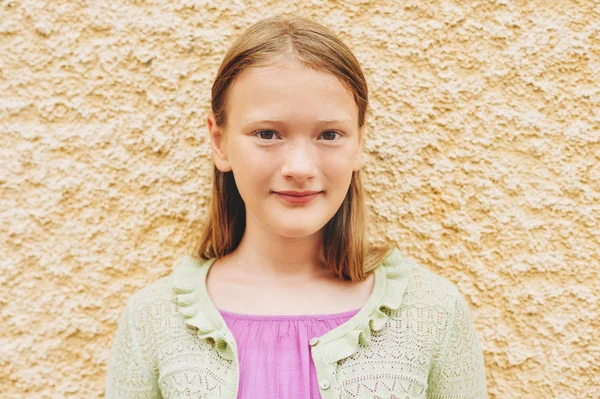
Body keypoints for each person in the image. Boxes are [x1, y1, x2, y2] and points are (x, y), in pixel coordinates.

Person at [105, 14, 487, 399]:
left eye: (329, 134)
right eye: (267, 134)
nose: (300, 168)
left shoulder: (434, 312)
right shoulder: (153, 319)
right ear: (219, 142)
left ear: (359, 142)